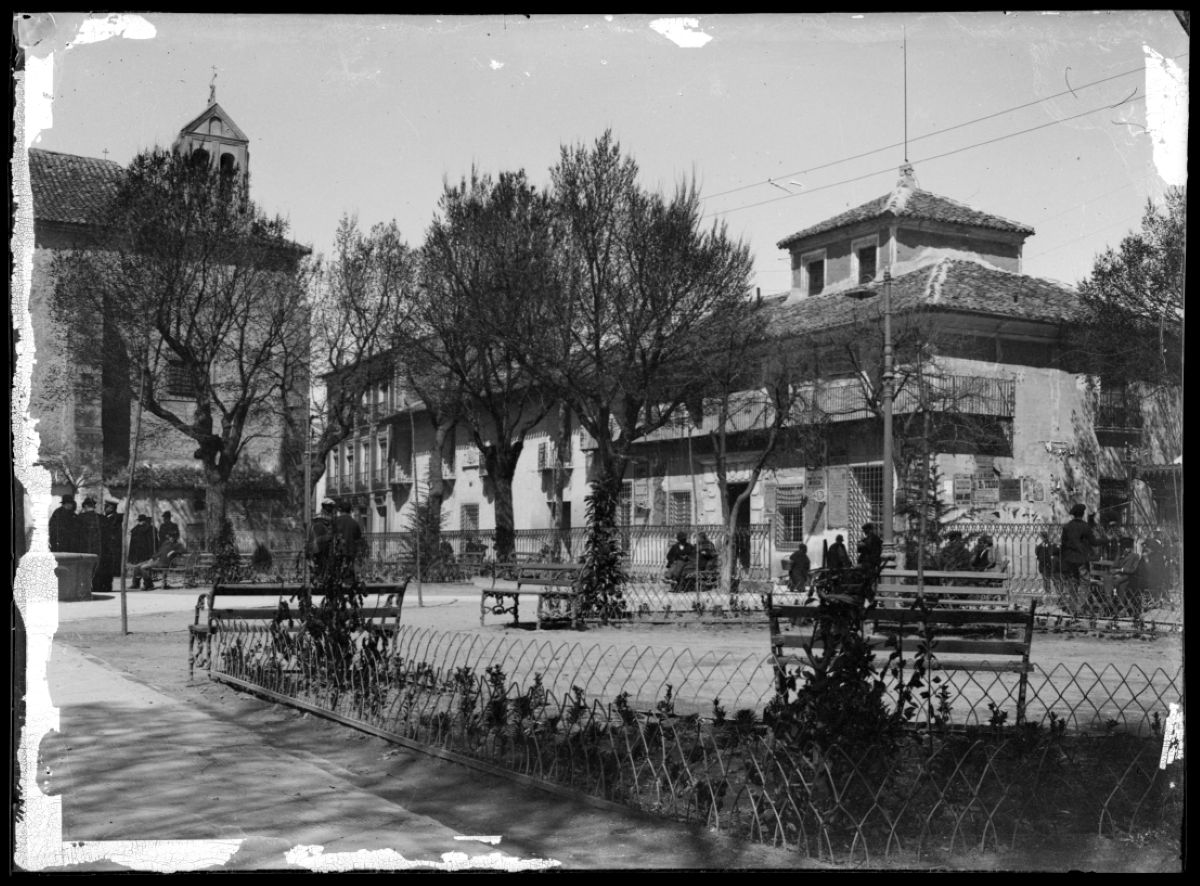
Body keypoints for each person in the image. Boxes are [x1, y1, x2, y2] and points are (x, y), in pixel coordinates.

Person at [1060, 503, 1097, 608]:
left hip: (1070, 560)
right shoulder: (1085, 527)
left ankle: (1073, 604)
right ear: (1082, 514)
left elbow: (1063, 545)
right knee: (1084, 581)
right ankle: (1081, 605)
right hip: (1081, 559)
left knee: (1072, 581)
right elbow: (1092, 542)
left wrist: (1064, 560)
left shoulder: (1067, 527)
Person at [76, 497, 104, 593]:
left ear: (85, 506)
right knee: (94, 568)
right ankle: (92, 586)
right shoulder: (100, 518)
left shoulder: (80, 518)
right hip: (97, 548)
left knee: (84, 568)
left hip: (83, 547)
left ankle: (86, 587)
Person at [97, 500, 123, 593]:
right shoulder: (108, 518)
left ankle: (106, 586)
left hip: (111, 548)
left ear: (111, 508)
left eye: (106, 507)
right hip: (107, 547)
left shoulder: (114, 519)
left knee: (108, 568)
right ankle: (105, 586)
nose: (105, 509)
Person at [332, 500, 364, 571]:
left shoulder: (335, 522)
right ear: (350, 511)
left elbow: (331, 536)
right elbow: (358, 538)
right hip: (350, 552)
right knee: (349, 570)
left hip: (338, 552)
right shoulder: (354, 523)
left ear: (340, 510)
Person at [307, 499, 335, 577]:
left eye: (332, 507)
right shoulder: (324, 517)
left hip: (318, 544)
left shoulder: (317, 516)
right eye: (330, 507)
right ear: (325, 507)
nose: (332, 508)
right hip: (321, 544)